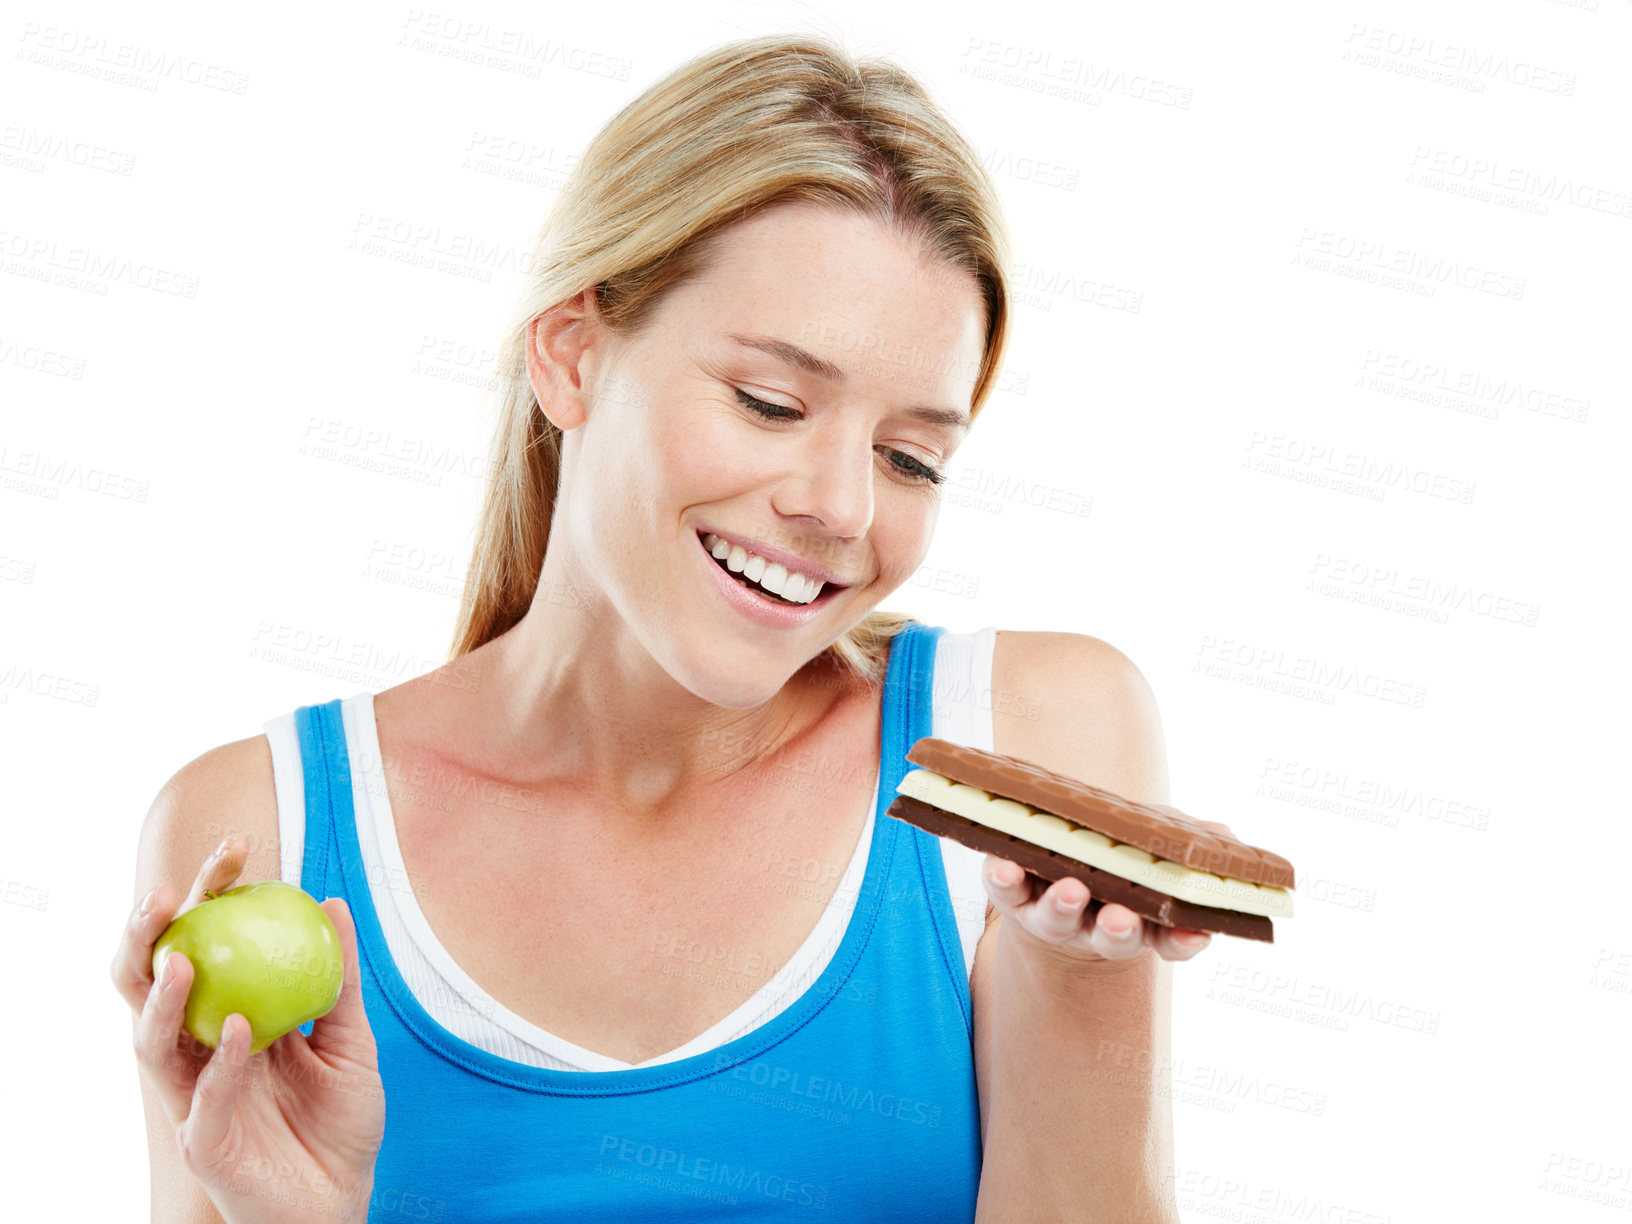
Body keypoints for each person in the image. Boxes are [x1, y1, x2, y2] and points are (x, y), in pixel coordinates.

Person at [110, 33, 1217, 1222]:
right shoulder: (259, 829)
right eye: (771, 402)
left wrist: (1075, 978)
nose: (842, 507)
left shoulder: (1027, 755)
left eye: (912, 458)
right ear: (572, 355)